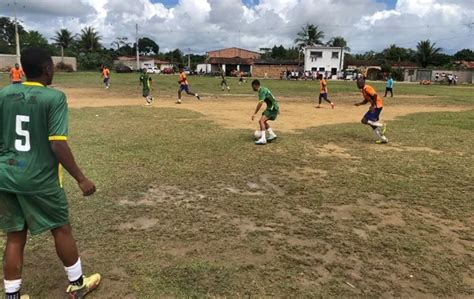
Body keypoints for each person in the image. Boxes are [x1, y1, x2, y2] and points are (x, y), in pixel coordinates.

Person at [0, 48, 101, 298]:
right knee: (61, 228)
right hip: (40, 179)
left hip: (6, 175)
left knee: (14, 236)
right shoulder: (53, 98)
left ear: (23, 70)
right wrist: (81, 178)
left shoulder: (4, 94)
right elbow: (57, 143)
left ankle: (12, 295)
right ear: (47, 69)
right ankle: (77, 285)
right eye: (52, 66)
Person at [354, 76, 388, 144]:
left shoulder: (367, 88)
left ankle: (382, 125)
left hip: (377, 106)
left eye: (358, 83)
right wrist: (359, 104)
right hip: (376, 106)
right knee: (372, 124)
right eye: (357, 83)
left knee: (364, 120)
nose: (357, 85)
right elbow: (367, 100)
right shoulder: (363, 90)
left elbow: (375, 95)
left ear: (362, 83)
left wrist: (373, 105)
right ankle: (383, 139)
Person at [251, 79, 279, 145]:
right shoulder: (264, 88)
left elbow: (260, 103)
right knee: (263, 121)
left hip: (272, 108)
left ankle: (263, 139)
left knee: (261, 121)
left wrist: (254, 113)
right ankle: (272, 134)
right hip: (273, 107)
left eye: (252, 86)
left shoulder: (261, 91)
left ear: (255, 85)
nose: (252, 88)